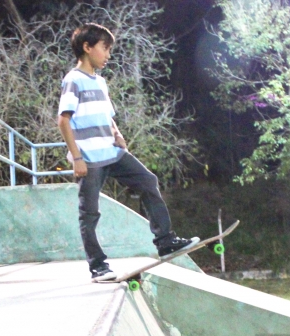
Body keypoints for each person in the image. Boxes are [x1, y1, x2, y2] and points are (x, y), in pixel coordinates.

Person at [57, 23, 196, 282]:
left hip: (112, 152)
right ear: (87, 48)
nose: (108, 55)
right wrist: (76, 157)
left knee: (148, 181)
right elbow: (63, 120)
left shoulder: (100, 81)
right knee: (89, 213)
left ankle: (165, 241)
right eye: (105, 48)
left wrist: (117, 133)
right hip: (89, 158)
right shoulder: (73, 80)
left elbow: (107, 115)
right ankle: (98, 266)